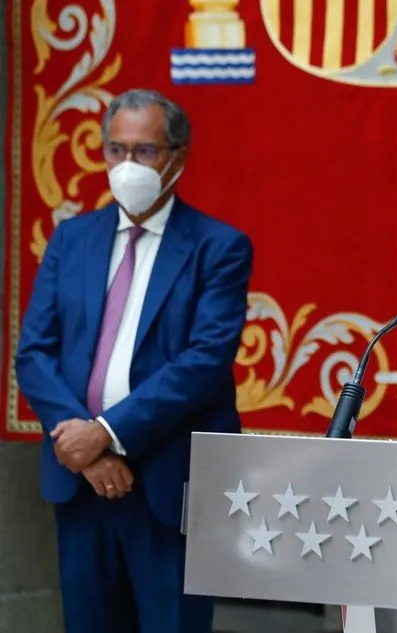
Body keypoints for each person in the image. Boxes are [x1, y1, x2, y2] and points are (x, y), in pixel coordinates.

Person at [15, 88, 254, 633]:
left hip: (167, 486)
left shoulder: (218, 247)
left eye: (144, 152)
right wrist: (85, 448)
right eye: (116, 150)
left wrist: (106, 432)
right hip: (79, 483)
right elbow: (34, 352)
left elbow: (204, 362)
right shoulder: (72, 238)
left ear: (178, 156)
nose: (127, 165)